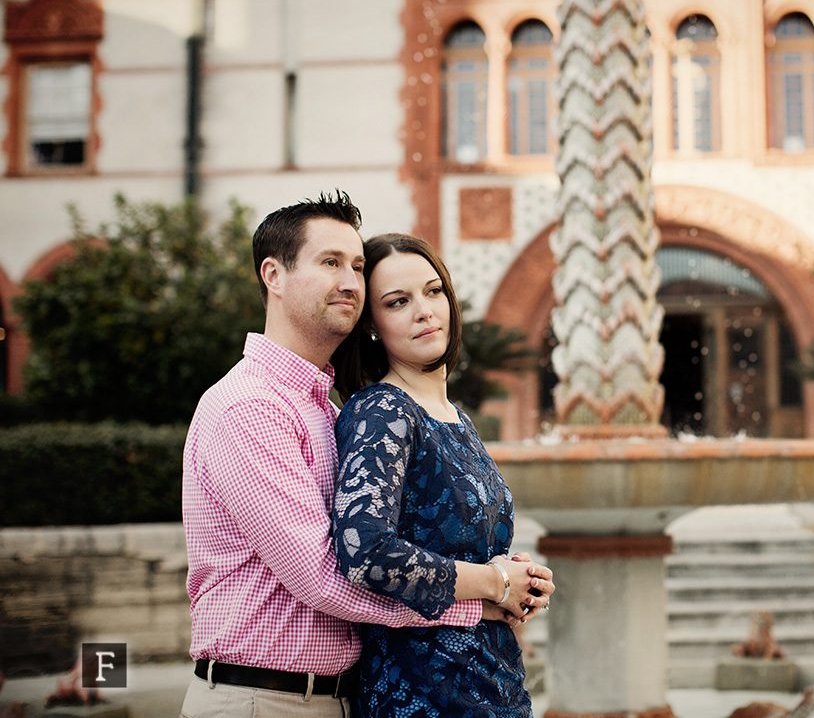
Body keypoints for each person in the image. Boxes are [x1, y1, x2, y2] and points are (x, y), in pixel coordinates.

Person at [180, 193, 532, 717]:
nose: (350, 281)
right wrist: (483, 595)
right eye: (330, 263)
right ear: (273, 275)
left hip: (331, 695)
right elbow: (325, 575)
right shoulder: (249, 407)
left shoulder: (322, 406)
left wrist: (498, 574)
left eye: (357, 266)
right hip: (262, 698)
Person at [330, 233, 552, 717]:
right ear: (372, 325)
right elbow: (364, 551)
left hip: (492, 681)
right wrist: (495, 580)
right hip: (422, 691)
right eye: (398, 302)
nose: (424, 311)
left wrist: (520, 580)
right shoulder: (382, 410)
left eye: (433, 292)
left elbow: (455, 546)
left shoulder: (454, 415)